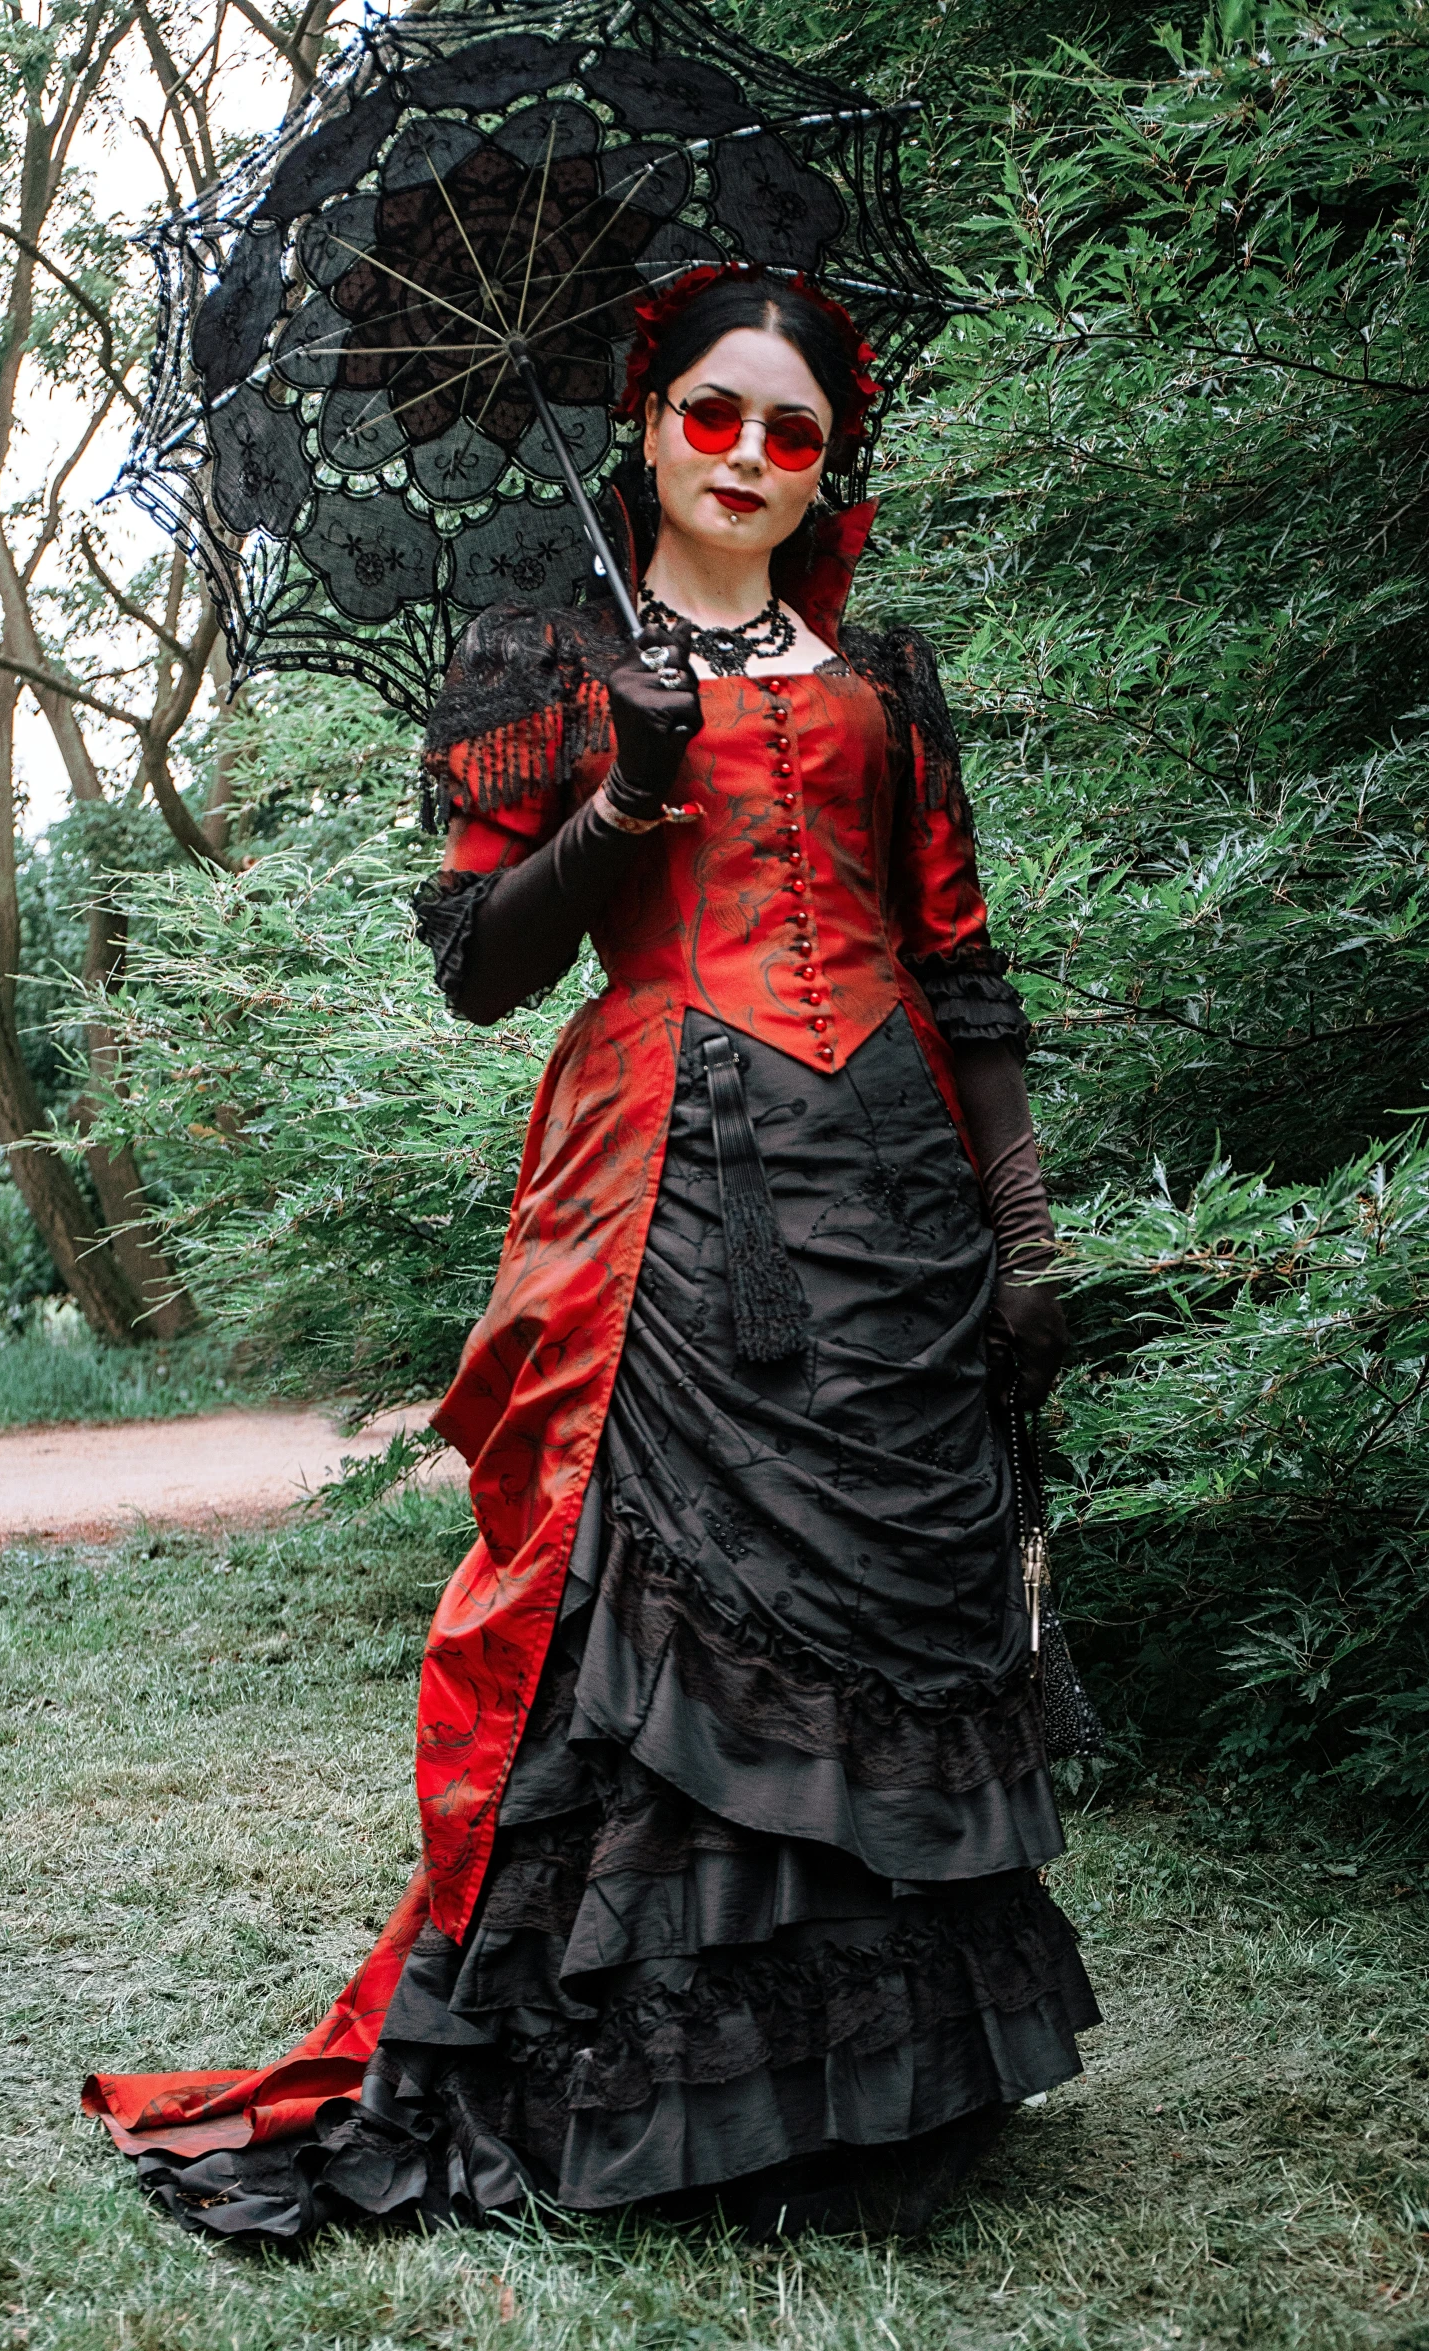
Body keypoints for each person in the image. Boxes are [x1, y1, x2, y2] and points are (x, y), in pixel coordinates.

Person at [83, 264, 1099, 2242]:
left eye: (789, 431)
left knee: (892, 1619)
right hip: (663, 1192)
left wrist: (1026, 1231)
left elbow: (961, 969)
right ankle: (663, 2095)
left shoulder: (888, 674)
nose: (745, 455)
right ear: (646, 424)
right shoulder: (540, 653)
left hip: (890, 1187)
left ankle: (888, 2091)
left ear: (828, 467)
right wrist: (626, 786)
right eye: (712, 415)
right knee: (648, 1614)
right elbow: (481, 967)